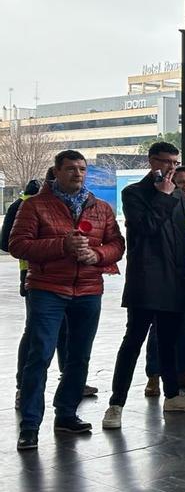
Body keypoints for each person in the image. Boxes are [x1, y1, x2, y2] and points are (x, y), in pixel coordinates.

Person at [11, 150, 125, 450]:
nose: (78, 174)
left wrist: (96, 254)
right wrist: (63, 245)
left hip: (88, 291)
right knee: (40, 356)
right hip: (47, 289)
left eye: (83, 169)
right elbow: (17, 245)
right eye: (72, 169)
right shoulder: (34, 206)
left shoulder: (101, 208)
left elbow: (117, 245)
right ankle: (30, 425)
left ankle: (66, 415)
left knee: (79, 357)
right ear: (56, 172)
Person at [102, 142, 185, 430]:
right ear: (151, 161)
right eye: (166, 161)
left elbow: (183, 237)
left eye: (175, 161)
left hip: (176, 279)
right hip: (146, 281)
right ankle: (116, 403)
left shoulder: (180, 197)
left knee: (169, 343)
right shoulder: (133, 193)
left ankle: (172, 395)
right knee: (133, 341)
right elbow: (145, 228)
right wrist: (163, 197)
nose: (171, 167)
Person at [8, 172, 73, 408]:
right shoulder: (26, 204)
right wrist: (53, 246)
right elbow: (8, 242)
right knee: (36, 334)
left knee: (66, 332)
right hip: (36, 275)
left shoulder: (76, 204)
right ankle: (22, 388)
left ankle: (70, 380)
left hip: (71, 277)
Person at [146, 165, 185, 392]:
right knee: (158, 329)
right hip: (168, 277)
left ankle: (184, 371)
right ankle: (153, 374)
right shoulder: (167, 205)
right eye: (181, 183)